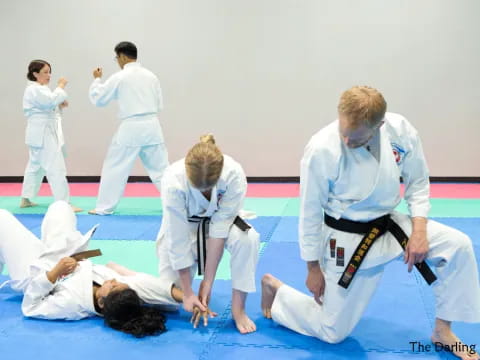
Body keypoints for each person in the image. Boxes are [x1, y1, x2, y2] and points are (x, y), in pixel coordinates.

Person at [261, 86, 480, 360]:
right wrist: (312, 267)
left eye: (355, 137)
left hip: (391, 225)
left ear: (380, 125)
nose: (346, 139)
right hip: (346, 237)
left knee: (458, 246)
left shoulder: (401, 131)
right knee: (332, 332)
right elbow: (309, 212)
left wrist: (420, 231)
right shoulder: (321, 148)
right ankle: (277, 291)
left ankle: (442, 331)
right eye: (343, 131)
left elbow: (418, 182)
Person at [0, 201, 183, 337]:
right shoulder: (122, 293)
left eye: (112, 285)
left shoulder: (73, 305)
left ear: (102, 303)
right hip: (65, 254)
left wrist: (55, 272)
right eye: (116, 282)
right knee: (60, 206)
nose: (113, 280)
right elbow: (160, 292)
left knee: (2, 218)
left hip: (34, 272)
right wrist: (188, 297)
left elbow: (31, 306)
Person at [156, 134, 260, 334]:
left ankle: (239, 309)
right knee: (168, 302)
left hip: (220, 224)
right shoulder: (172, 180)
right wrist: (187, 292)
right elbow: (176, 238)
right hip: (186, 226)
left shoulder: (233, 174)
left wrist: (208, 282)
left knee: (248, 238)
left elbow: (219, 229)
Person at [88, 41, 169, 215]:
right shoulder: (151, 76)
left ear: (123, 56)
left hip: (131, 127)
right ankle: (179, 203)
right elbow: (159, 103)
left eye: (117, 57)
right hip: (152, 125)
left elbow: (99, 98)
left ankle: (104, 207)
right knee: (162, 170)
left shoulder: (120, 77)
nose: (117, 61)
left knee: (115, 167)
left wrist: (96, 79)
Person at [20, 60, 81, 212]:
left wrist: (58, 104)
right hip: (43, 133)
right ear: (35, 74)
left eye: (49, 71)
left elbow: (49, 104)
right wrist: (60, 87)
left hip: (39, 132)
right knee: (56, 166)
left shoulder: (41, 89)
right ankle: (64, 203)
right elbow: (48, 102)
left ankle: (26, 198)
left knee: (36, 166)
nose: (49, 75)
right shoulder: (34, 89)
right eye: (45, 72)